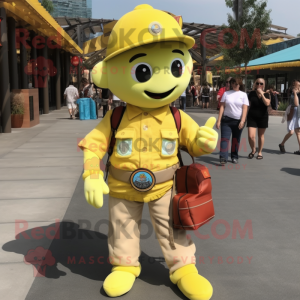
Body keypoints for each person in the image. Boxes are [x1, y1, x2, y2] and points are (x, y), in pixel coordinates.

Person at [78, 5, 218, 299]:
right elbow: (94, 143)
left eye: (175, 67)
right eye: (142, 70)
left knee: (172, 230)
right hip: (120, 186)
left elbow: (194, 143)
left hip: (165, 187)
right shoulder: (115, 118)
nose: (163, 80)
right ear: (107, 73)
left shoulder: (177, 117)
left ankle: (183, 268)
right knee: (121, 229)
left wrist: (205, 141)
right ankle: (125, 266)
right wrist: (91, 173)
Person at [216, 77, 249, 164]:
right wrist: (218, 120)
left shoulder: (243, 95)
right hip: (226, 120)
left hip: (238, 121)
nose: (234, 85)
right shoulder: (226, 94)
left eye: (236, 83)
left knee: (236, 139)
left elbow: (245, 109)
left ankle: (234, 156)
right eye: (233, 83)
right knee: (224, 139)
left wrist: (242, 121)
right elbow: (222, 106)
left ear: (240, 84)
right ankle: (223, 157)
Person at [247, 78, 271, 160]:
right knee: (251, 136)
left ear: (264, 85)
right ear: (255, 84)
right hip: (252, 117)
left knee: (261, 135)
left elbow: (267, 103)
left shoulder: (267, 94)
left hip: (262, 117)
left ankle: (259, 152)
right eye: (257, 83)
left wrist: (262, 94)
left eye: (261, 83)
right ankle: (253, 149)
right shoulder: (251, 94)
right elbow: (247, 105)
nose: (259, 85)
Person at [279, 79, 300, 155]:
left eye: (298, 85)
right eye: (296, 85)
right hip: (292, 113)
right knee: (291, 132)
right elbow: (296, 104)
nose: (297, 87)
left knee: (298, 133)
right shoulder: (293, 93)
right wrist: (295, 93)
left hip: (298, 114)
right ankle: (282, 144)